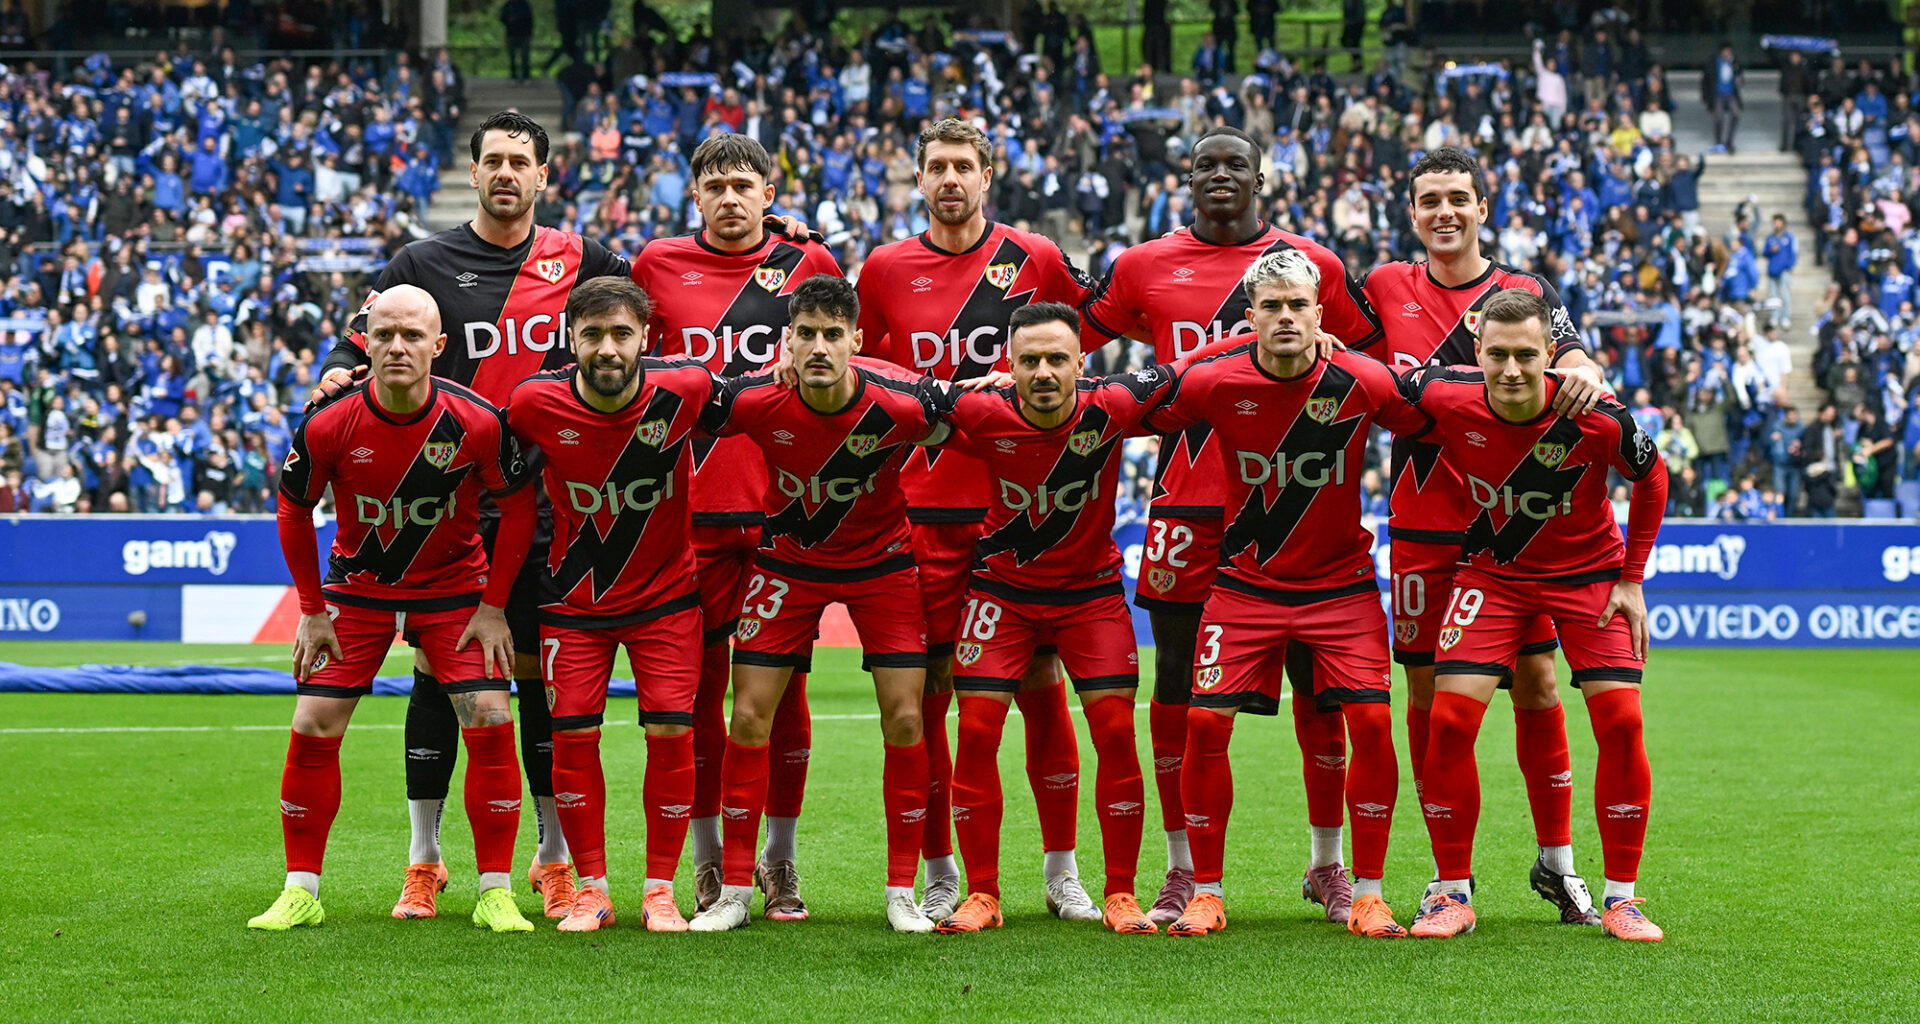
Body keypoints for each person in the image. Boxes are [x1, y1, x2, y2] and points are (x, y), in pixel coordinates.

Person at [312, 112, 628, 922]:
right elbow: (370, 349)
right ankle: (425, 860)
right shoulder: (423, 261)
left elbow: (640, 320)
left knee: (536, 681)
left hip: (548, 507)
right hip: (449, 511)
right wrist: (332, 381)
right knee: (436, 677)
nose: (505, 174)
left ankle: (551, 860)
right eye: (492, 160)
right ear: (476, 170)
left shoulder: (585, 260)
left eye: (520, 162)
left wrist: (776, 230)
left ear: (544, 175)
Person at [1077, 124, 1382, 925]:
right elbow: (1066, 341)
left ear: (1260, 178)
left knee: (1322, 690)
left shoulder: (1315, 266)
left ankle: (1328, 866)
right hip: (1186, 503)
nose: (1220, 176)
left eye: (1234, 166)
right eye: (1205, 165)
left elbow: (1375, 361)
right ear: (1185, 176)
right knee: (1177, 684)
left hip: (1294, 512)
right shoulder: (1144, 265)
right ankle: (1183, 870)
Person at [1356, 146, 1609, 927]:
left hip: (1514, 529)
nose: (1444, 212)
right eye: (1429, 199)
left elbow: (1571, 356)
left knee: (1535, 685)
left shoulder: (1523, 290)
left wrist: (1588, 370)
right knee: (1430, 697)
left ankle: (1558, 865)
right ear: (1411, 212)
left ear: (1482, 207)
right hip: (1427, 526)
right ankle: (1448, 882)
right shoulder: (1383, 287)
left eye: (1458, 197)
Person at [856, 118, 1098, 923]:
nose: (950, 179)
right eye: (936, 167)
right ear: (916, 178)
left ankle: (1061, 872)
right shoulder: (886, 267)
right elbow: (867, 367)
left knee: (1039, 686)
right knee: (929, 695)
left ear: (988, 174)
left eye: (964, 166)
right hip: (921, 512)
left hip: (1016, 511)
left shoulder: (1037, 257)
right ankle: (939, 870)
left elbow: (1075, 359)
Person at [1149, 251, 1425, 939]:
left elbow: (1440, 411)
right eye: (1271, 307)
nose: (1286, 317)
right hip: (1244, 585)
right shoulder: (1214, 381)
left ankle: (1363, 889)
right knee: (1205, 724)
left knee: (1368, 724)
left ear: (1319, 314)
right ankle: (1206, 890)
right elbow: (1127, 405)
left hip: (1341, 587)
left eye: (1298, 306)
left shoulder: (1360, 381)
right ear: (1251, 319)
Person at [250, 285, 537, 934]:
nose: (398, 348)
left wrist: (494, 608)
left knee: (491, 720)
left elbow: (518, 508)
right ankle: (301, 889)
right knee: (314, 722)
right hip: (358, 592)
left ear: (439, 346)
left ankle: (496, 891)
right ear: (366, 343)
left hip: (455, 592)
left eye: (412, 337)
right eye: (384, 336)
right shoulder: (329, 419)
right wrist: (312, 609)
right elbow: (294, 508)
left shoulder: (477, 420)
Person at [1403, 288, 1669, 942]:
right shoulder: (1443, 396)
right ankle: (1451, 892)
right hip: (1494, 577)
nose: (1513, 370)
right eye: (1498, 355)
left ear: (1553, 354)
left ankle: (1622, 900)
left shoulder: (1597, 413)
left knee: (1622, 720)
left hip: (1590, 578)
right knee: (1449, 715)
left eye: (1528, 354)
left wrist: (1632, 580)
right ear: (1478, 354)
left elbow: (1653, 476)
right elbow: (1369, 386)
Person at [689, 276, 946, 934]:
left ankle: (900, 893)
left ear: (856, 341)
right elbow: (684, 397)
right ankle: (735, 895)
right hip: (789, 564)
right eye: (806, 334)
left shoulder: (904, 401)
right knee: (747, 717)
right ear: (788, 341)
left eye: (834, 334)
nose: (820, 347)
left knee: (907, 719)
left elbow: (969, 422)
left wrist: (993, 386)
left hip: (883, 566)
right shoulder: (756, 399)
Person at [630, 132, 843, 919]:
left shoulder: (809, 266)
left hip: (785, 512)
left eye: (742, 184)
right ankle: (712, 863)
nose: (728, 197)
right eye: (714, 184)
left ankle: (781, 863)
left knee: (783, 699)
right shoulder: (655, 265)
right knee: (698, 697)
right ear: (695, 195)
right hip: (688, 517)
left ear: (767, 192)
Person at [932, 302, 1162, 936]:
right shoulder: (980, 412)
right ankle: (982, 893)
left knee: (1115, 730)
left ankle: (1118, 892)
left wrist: (1271, 334)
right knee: (977, 732)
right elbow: (895, 392)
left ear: (1081, 365)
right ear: (1008, 366)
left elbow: (1186, 367)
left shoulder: (1111, 408)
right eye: (1028, 360)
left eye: (1056, 358)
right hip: (1001, 593)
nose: (1042, 371)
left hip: (1089, 594)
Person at [499, 276, 716, 933]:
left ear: (645, 337)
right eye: (592, 335)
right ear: (571, 341)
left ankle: (659, 892)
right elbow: (494, 482)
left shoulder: (687, 387)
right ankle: (592, 889)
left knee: (673, 733)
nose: (608, 348)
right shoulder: (533, 404)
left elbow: (766, 400)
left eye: (622, 333)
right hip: (574, 605)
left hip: (667, 600)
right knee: (573, 737)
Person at [1705, 43, 1743, 154]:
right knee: (1718, 119)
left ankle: (1729, 141)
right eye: (1726, 51)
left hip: (1731, 94)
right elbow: (1706, 80)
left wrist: (1739, 80)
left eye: (1729, 51)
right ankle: (1718, 142)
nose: (1727, 53)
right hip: (1717, 95)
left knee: (1736, 114)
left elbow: (1740, 76)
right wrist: (1706, 97)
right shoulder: (1713, 62)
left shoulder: (1734, 62)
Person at [1763, 214, 1799, 326]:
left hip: (1784, 271)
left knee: (1785, 295)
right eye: (1775, 222)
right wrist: (1770, 250)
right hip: (1772, 270)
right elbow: (1764, 253)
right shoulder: (1770, 238)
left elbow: (1794, 254)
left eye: (1778, 222)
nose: (1776, 224)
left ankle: (1785, 317)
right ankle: (1774, 317)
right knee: (1773, 296)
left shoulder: (1789, 238)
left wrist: (1789, 267)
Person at [500, 0, 534, 82]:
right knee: (512, 55)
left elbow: (530, 19)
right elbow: (502, 17)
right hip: (511, 33)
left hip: (524, 34)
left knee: (524, 55)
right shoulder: (508, 5)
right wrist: (508, 20)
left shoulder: (524, 4)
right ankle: (513, 74)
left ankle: (526, 74)